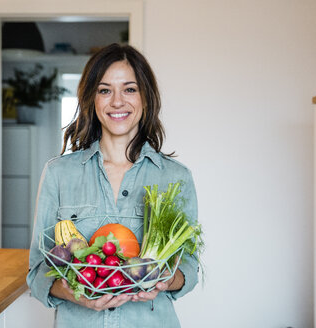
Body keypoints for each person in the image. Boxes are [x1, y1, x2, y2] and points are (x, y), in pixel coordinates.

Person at [27, 43, 199, 328]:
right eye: (105, 90)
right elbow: (37, 272)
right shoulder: (59, 173)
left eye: (129, 89)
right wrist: (75, 294)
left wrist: (166, 279)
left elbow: (189, 267)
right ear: (91, 100)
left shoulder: (175, 177)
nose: (117, 101)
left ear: (146, 97)